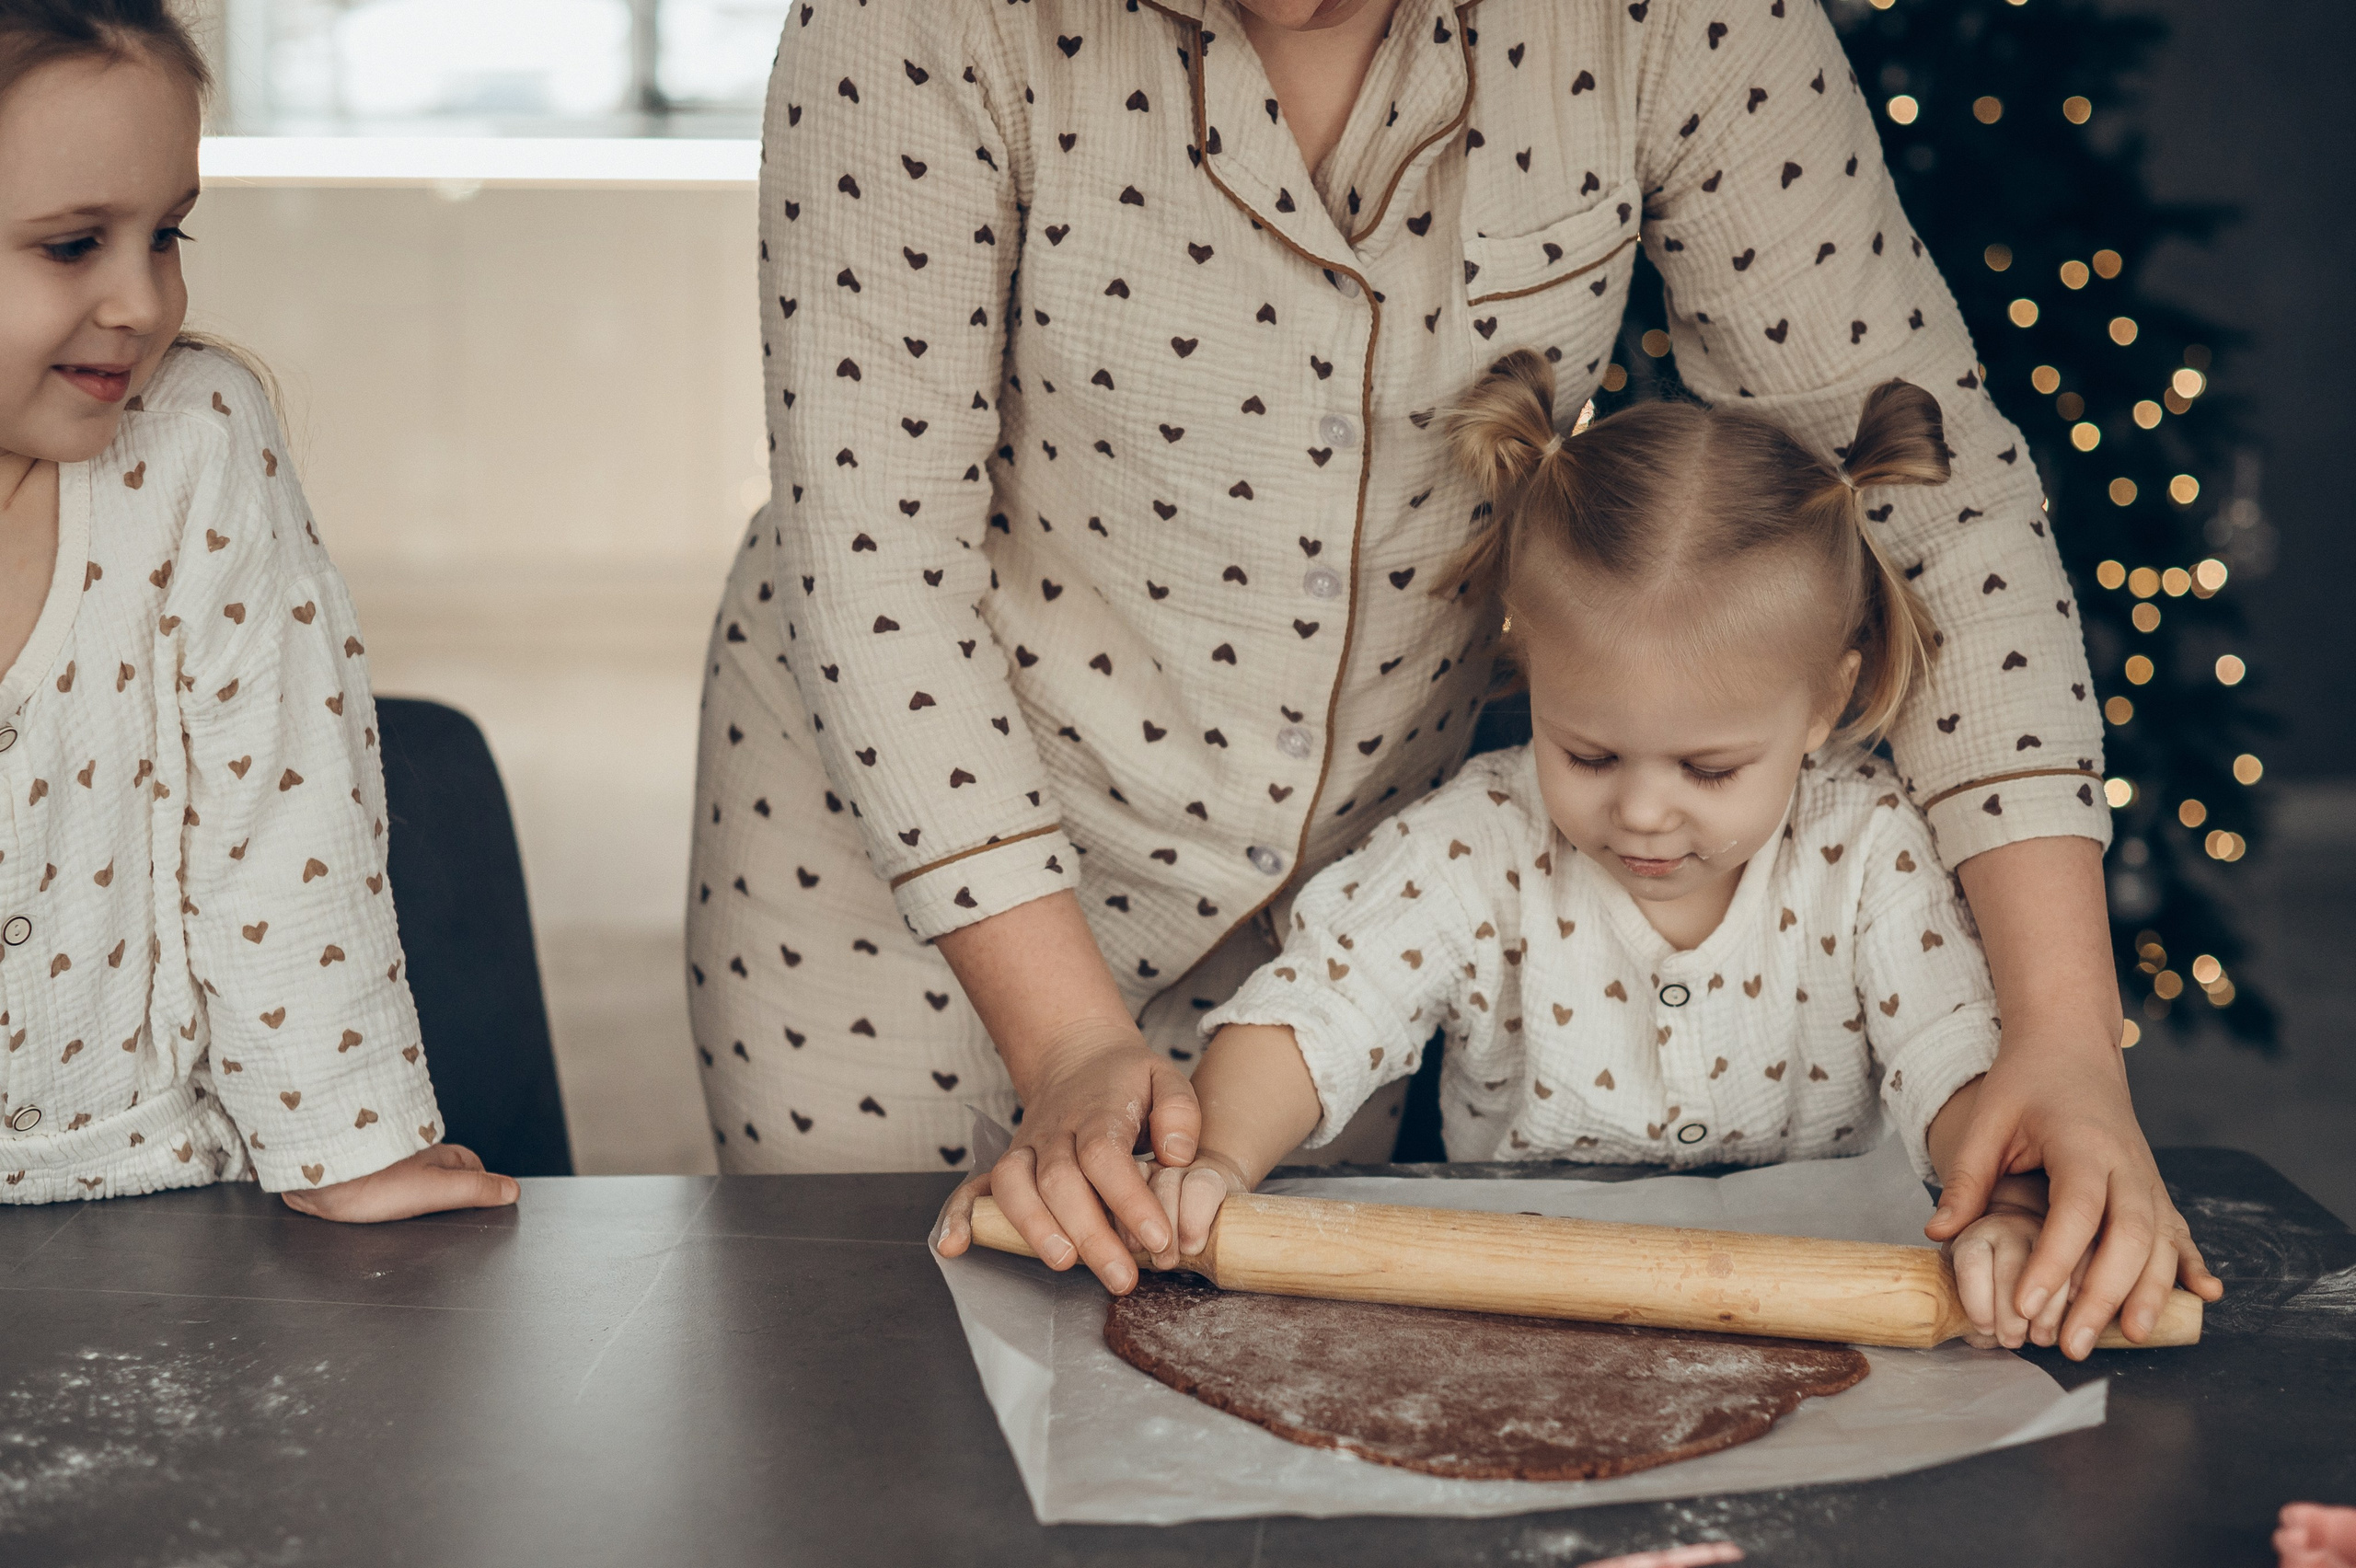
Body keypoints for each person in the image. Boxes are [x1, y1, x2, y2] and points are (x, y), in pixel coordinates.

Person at [716, 0, 2200, 1360]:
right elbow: (877, 561)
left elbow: (1926, 490)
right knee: (890, 1404)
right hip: (906, 892)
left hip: (1329, 889)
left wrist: (2065, 1035)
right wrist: (1066, 1039)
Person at [1117, 353, 2218, 1349]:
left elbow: (1956, 1065)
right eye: (1588, 753)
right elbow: (1318, 1014)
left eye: (1707, 770)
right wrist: (1213, 1161)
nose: (1642, 813)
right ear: (1530, 665)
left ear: (1824, 701)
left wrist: (2013, 1213)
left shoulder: (1868, 851)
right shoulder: (1474, 844)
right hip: (1512, 1317)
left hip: (1823, 1306)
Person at [0, 0, 514, 1221]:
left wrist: (348, 1147)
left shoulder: (195, 444)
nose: (139, 300)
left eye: (166, 234)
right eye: (74, 245)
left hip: (148, 1190)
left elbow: (284, 822)